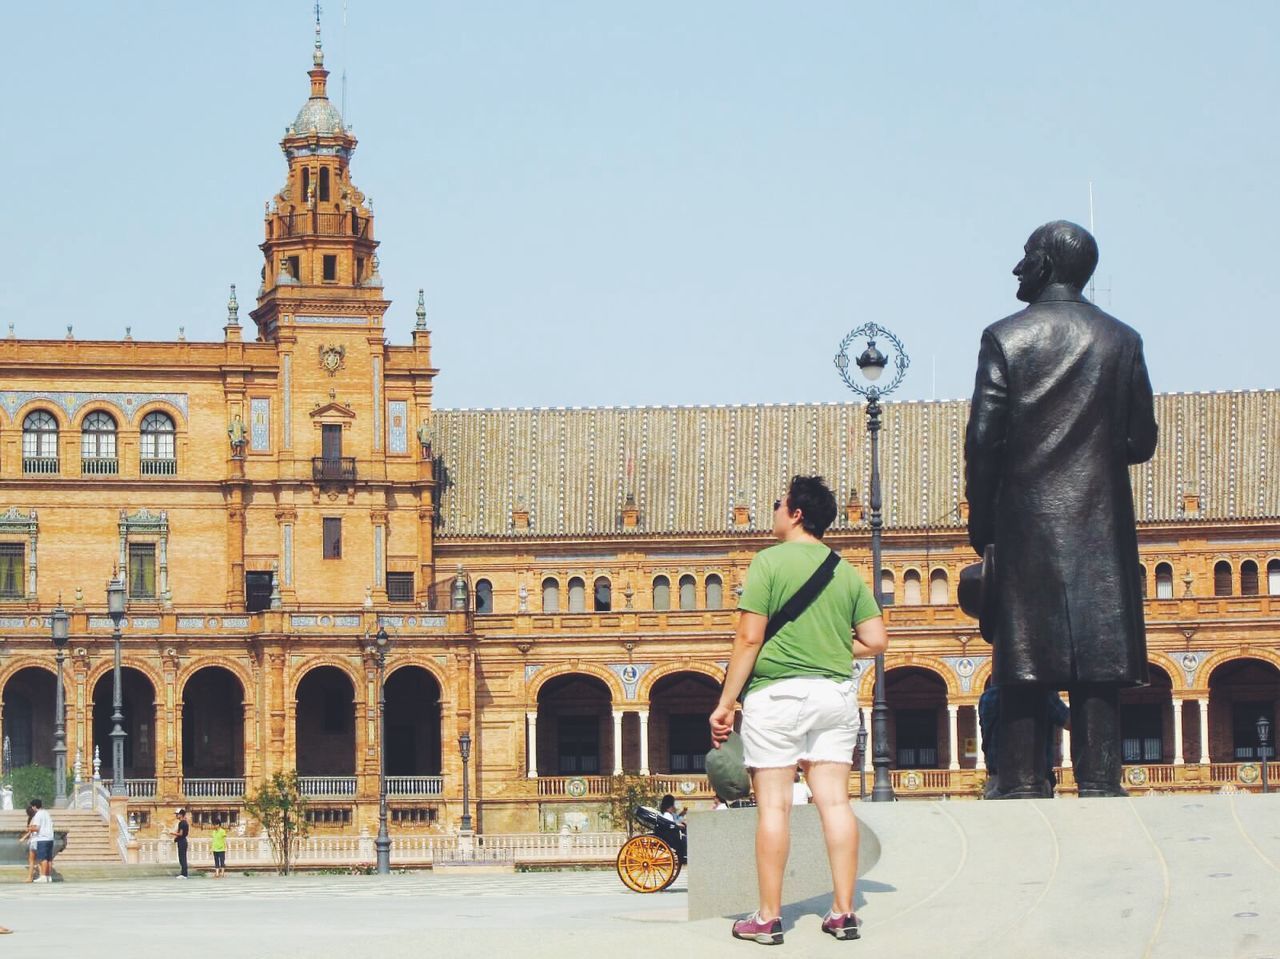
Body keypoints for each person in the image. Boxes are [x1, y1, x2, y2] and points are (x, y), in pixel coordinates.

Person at [966, 221, 1157, 799]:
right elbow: (1141, 441)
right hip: (1100, 524)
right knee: (1100, 663)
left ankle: (1022, 783)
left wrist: (984, 518)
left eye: (1025, 257)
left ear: (1046, 263)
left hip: (1027, 521)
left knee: (1025, 656)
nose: (1017, 269)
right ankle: (1101, 781)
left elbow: (983, 440)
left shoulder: (1005, 338)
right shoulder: (1122, 341)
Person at [710, 474, 888, 946]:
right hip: (834, 697)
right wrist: (830, 647)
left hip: (778, 697)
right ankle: (844, 913)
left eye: (777, 503)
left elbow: (749, 638)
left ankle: (768, 919)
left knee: (774, 805)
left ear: (796, 513)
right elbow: (876, 641)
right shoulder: (844, 570)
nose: (773, 510)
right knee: (835, 802)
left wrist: (726, 704)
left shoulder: (768, 563)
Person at [18, 799, 54, 883]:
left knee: (43, 859)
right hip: (50, 838)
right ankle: (48, 876)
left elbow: (36, 828)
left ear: (34, 806)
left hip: (42, 838)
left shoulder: (38, 814)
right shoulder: (46, 813)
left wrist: (29, 828)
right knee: (48, 859)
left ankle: (43, 876)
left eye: (32, 806)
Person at [170, 808, 190, 878]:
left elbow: (181, 834)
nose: (176, 815)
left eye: (177, 814)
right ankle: (183, 873)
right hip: (183, 841)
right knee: (182, 857)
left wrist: (173, 833)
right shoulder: (185, 822)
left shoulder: (182, 823)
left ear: (181, 815)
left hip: (182, 841)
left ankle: (184, 874)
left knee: (182, 858)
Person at [210, 813, 228, 879]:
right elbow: (213, 840)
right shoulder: (214, 832)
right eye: (213, 824)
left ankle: (222, 873)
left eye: (215, 824)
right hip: (215, 849)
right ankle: (217, 873)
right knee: (216, 861)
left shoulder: (222, 831)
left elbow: (224, 840)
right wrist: (211, 848)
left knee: (222, 861)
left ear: (218, 825)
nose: (214, 826)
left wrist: (226, 847)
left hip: (221, 848)